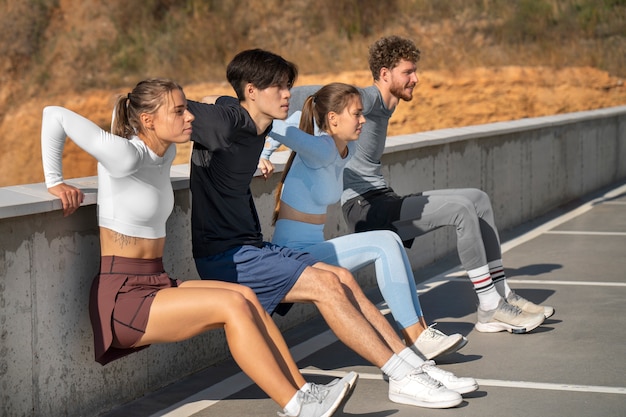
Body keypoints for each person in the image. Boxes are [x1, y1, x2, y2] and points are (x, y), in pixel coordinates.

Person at [40, 78, 353, 417]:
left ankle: (305, 391)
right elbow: (54, 115)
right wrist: (55, 181)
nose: (190, 117)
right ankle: (295, 406)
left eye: (186, 108)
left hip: (155, 282)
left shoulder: (165, 151)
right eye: (179, 111)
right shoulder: (125, 154)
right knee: (233, 305)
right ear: (148, 121)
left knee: (246, 296)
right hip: (124, 298)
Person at [189, 48, 476, 410]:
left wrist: (261, 150)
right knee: (339, 277)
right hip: (230, 256)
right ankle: (402, 372)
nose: (286, 93)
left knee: (341, 277)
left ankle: (412, 364)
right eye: (357, 113)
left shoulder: (266, 136)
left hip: (256, 248)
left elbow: (265, 127)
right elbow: (192, 110)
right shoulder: (245, 125)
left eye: (287, 86)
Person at [285, 35, 554, 335]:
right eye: (408, 72)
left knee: (477, 199)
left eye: (415, 71)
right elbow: (309, 95)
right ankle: (489, 307)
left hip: (382, 198)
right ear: (385, 74)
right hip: (365, 208)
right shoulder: (369, 98)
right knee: (461, 210)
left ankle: (502, 293)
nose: (416, 79)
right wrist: (252, 112)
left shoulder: (386, 106)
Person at [260, 82, 467, 361]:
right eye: (357, 114)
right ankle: (415, 336)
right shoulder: (319, 149)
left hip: (313, 247)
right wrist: (263, 154)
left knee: (390, 238)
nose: (363, 120)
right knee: (385, 242)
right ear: (333, 119)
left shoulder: (349, 150)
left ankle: (419, 330)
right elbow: (274, 125)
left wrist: (269, 149)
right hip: (292, 254)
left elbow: (296, 120)